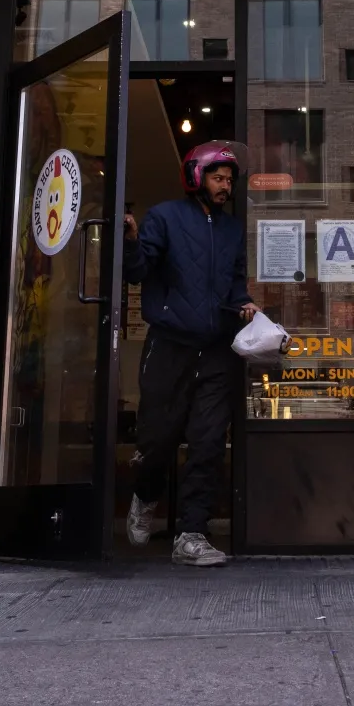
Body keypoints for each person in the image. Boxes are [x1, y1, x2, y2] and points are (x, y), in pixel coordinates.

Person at [122, 139, 255, 567]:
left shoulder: (233, 228)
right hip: (170, 345)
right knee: (157, 439)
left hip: (218, 350)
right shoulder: (164, 217)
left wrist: (245, 304)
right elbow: (138, 270)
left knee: (209, 442)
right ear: (196, 176)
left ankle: (191, 536)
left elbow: (235, 285)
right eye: (218, 177)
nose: (225, 186)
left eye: (229, 179)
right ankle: (145, 496)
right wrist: (129, 241)